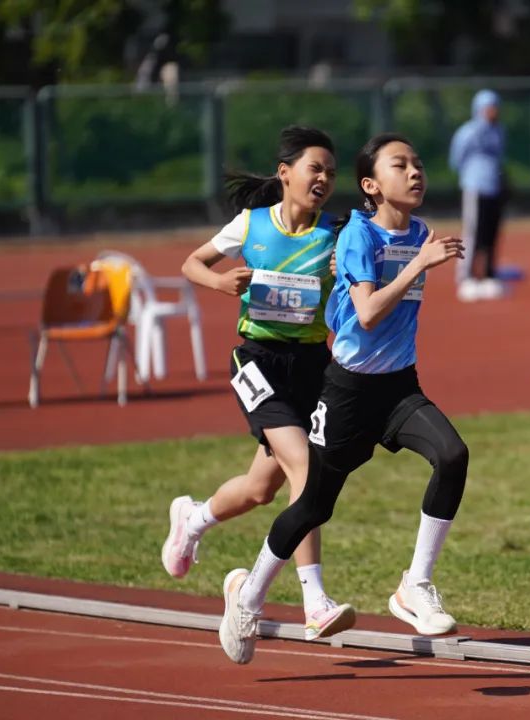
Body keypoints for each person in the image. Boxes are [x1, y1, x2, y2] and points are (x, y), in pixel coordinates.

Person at [218, 133, 468, 665]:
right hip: (349, 392)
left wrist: (419, 258)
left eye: (419, 163)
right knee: (312, 504)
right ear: (372, 185)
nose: (416, 172)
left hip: (400, 388)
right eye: (401, 165)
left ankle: (414, 586)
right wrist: (418, 265)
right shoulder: (357, 237)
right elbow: (370, 312)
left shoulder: (419, 231)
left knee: (453, 454)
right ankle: (250, 597)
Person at [163, 126, 355, 642]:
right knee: (306, 470)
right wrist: (222, 282)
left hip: (312, 366)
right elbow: (191, 263)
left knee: (259, 489)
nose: (323, 179)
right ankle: (314, 600)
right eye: (315, 168)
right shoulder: (250, 226)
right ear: (285, 173)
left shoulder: (335, 236)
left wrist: (345, 271)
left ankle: (195, 519)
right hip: (257, 363)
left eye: (331, 173)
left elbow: (351, 300)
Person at [449, 89, 506, 303]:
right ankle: (466, 276)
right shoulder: (468, 132)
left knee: (491, 233)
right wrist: (471, 175)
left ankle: (489, 274)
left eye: (496, 106)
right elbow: (457, 158)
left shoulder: (499, 131)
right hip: (475, 187)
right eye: (489, 107)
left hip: (494, 187)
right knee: (473, 233)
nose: (493, 111)